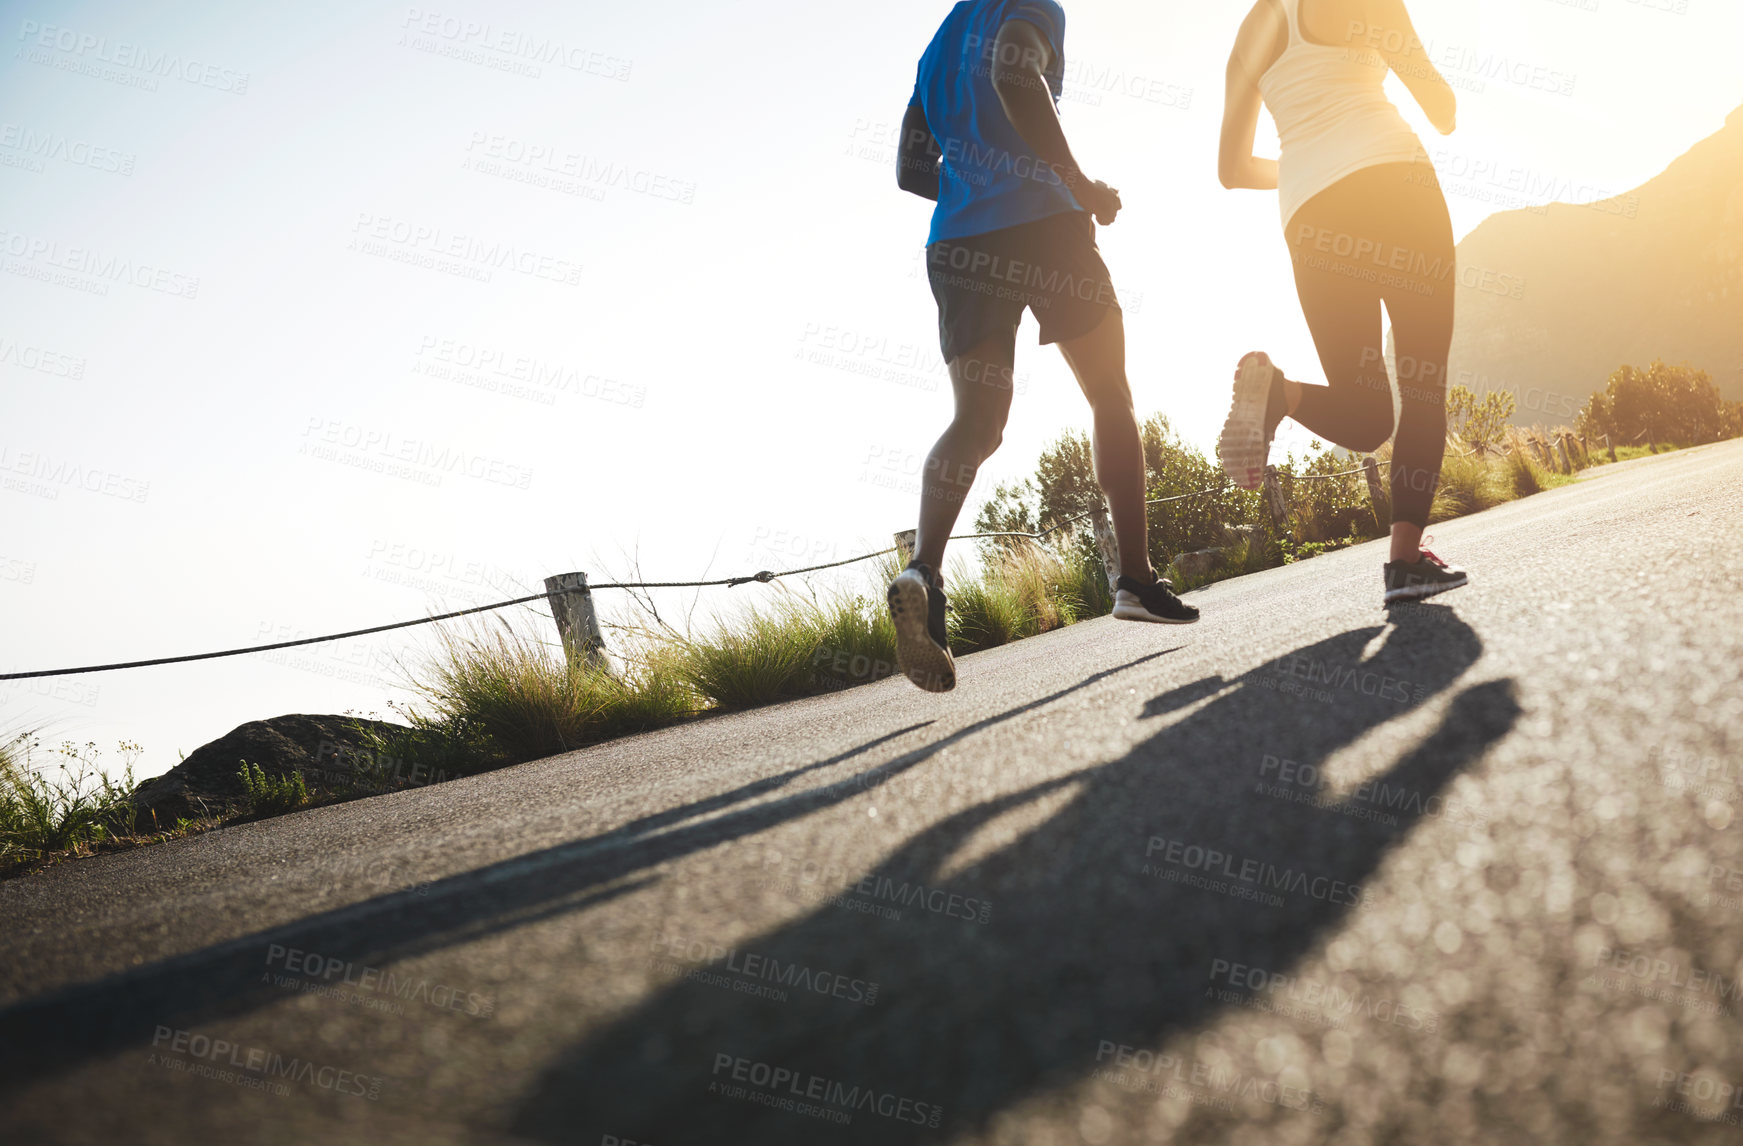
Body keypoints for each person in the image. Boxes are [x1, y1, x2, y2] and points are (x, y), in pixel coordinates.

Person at [889, 0, 1198, 695]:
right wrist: (1077, 184)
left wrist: (974, 193)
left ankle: (923, 573)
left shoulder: (938, 43)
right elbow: (1015, 74)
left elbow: (912, 168)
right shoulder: (1029, 5)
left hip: (959, 244)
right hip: (1046, 230)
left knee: (977, 422)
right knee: (1108, 394)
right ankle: (1135, 581)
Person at [1217, 0, 1469, 606]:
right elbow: (1443, 111)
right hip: (1397, 185)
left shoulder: (1253, 26)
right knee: (1422, 383)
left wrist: (1313, 160)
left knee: (1367, 412)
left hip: (1310, 213)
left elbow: (1230, 168)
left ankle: (1282, 392)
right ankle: (1405, 563)